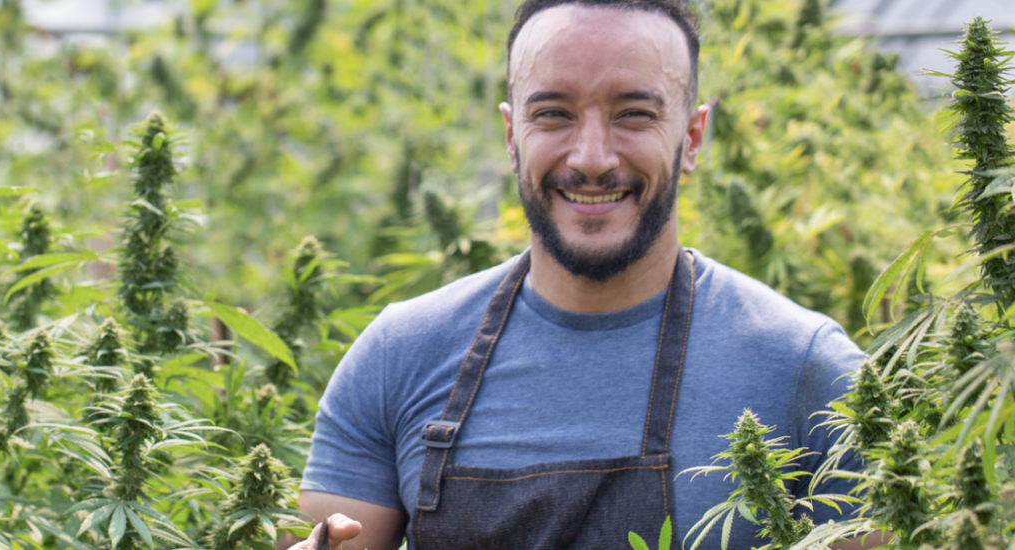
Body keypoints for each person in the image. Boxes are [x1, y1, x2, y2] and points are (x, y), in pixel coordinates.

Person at [284, 0, 874, 549]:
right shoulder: (397, 355)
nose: (592, 157)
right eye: (554, 115)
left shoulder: (806, 369)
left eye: (634, 115)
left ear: (691, 138)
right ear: (513, 136)